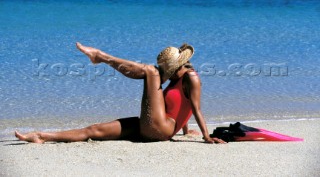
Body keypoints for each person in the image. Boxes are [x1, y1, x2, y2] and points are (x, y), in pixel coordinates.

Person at [15, 42, 225, 144]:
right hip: (153, 127)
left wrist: (207, 136)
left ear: (177, 67)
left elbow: (195, 107)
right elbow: (180, 106)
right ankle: (41, 136)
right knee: (94, 130)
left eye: (167, 71)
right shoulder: (177, 79)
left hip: (160, 129)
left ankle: (101, 56)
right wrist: (185, 130)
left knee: (149, 72)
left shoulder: (191, 78)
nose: (165, 75)